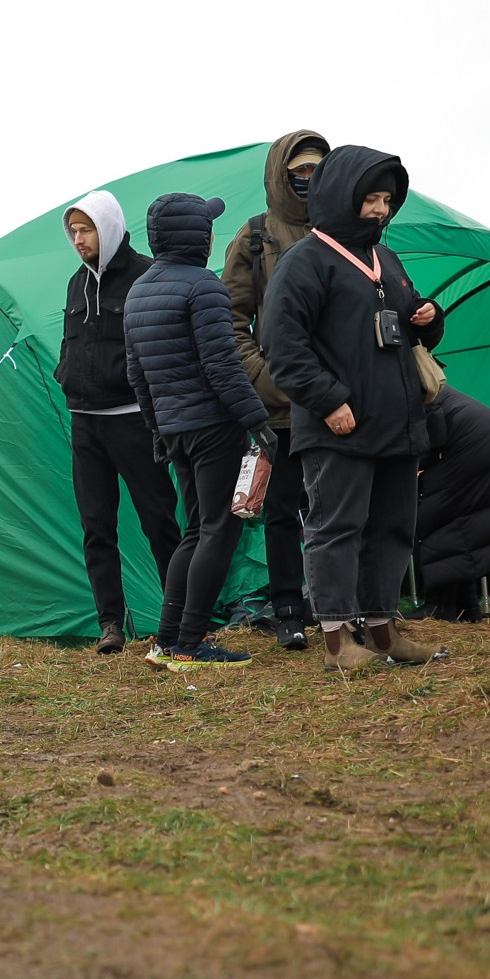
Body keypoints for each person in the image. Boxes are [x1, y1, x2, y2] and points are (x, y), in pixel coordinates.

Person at [263, 145, 447, 673]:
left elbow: (412, 326)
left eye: (388, 199)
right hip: (337, 426)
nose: (381, 210)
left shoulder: (384, 259)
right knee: (336, 528)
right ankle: (338, 639)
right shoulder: (304, 261)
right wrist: (328, 401)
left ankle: (383, 631)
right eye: (370, 198)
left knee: (392, 527)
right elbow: (282, 345)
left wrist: (428, 318)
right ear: (343, 197)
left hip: (397, 421)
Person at [122, 193, 271, 667]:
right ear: (198, 236)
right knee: (217, 531)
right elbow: (223, 365)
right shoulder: (203, 286)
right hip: (213, 425)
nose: (212, 235)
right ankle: (190, 641)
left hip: (175, 429)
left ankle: (167, 639)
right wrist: (256, 420)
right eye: (208, 227)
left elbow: (136, 374)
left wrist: (157, 429)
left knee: (194, 531)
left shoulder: (138, 292)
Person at [57, 189, 181, 654]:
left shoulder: (146, 276)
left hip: (133, 419)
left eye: (85, 229)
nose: (77, 239)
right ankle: (110, 624)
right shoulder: (75, 283)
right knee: (96, 527)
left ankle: (181, 619)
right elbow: (72, 344)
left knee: (159, 521)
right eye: (72, 231)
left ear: (107, 227)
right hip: (85, 424)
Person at [222, 129, 329, 650]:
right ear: (281, 174)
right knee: (284, 507)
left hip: (343, 397)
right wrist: (266, 378)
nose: (308, 180)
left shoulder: (347, 227)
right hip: (282, 404)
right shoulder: (255, 235)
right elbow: (229, 321)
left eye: (317, 169)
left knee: (341, 506)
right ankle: (289, 607)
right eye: (299, 171)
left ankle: (345, 606)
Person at [411, 386, 490, 621]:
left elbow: (429, 434)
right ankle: (464, 606)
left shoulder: (393, 375)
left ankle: (440, 604)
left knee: (440, 517)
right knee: (461, 525)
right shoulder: (416, 373)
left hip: (470, 446)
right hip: (479, 442)